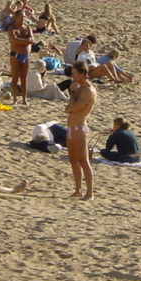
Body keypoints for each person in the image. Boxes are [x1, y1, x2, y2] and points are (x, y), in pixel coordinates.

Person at [65, 61, 97, 199]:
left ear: (82, 73)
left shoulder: (88, 90)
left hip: (80, 127)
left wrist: (72, 92)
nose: (72, 75)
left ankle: (89, 192)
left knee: (83, 160)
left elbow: (73, 108)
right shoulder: (79, 88)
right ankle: (78, 189)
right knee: (73, 160)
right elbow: (68, 108)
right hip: (71, 127)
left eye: (74, 73)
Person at [8, 17, 34, 105]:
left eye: (23, 17)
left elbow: (32, 40)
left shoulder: (27, 28)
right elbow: (13, 40)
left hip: (26, 55)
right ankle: (14, 99)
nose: (22, 19)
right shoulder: (12, 29)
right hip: (16, 55)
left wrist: (22, 41)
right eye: (20, 17)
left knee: (24, 78)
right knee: (15, 78)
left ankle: (24, 99)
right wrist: (26, 41)